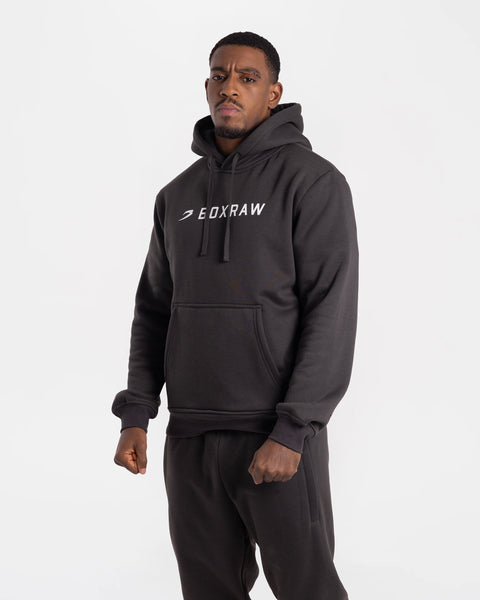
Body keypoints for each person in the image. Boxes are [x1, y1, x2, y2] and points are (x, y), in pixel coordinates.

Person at [112, 30, 358, 600]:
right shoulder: (177, 195)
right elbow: (154, 309)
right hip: (190, 436)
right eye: (220, 76)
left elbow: (331, 309)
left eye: (248, 78)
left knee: (308, 590)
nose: (230, 87)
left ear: (273, 93)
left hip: (274, 436)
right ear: (206, 86)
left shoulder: (312, 182)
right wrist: (137, 413)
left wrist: (293, 430)